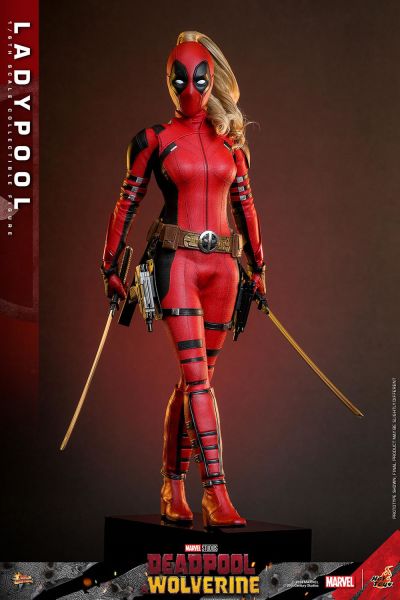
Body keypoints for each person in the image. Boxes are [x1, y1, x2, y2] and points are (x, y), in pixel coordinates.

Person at [101, 31, 266, 527]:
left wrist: (259, 267)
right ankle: (217, 493)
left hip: (224, 273)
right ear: (167, 80)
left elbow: (246, 208)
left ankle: (172, 487)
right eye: (179, 79)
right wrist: (110, 266)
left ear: (212, 79)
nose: (189, 88)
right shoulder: (154, 140)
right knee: (198, 382)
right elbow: (127, 202)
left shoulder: (230, 146)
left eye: (198, 78)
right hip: (176, 267)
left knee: (196, 382)